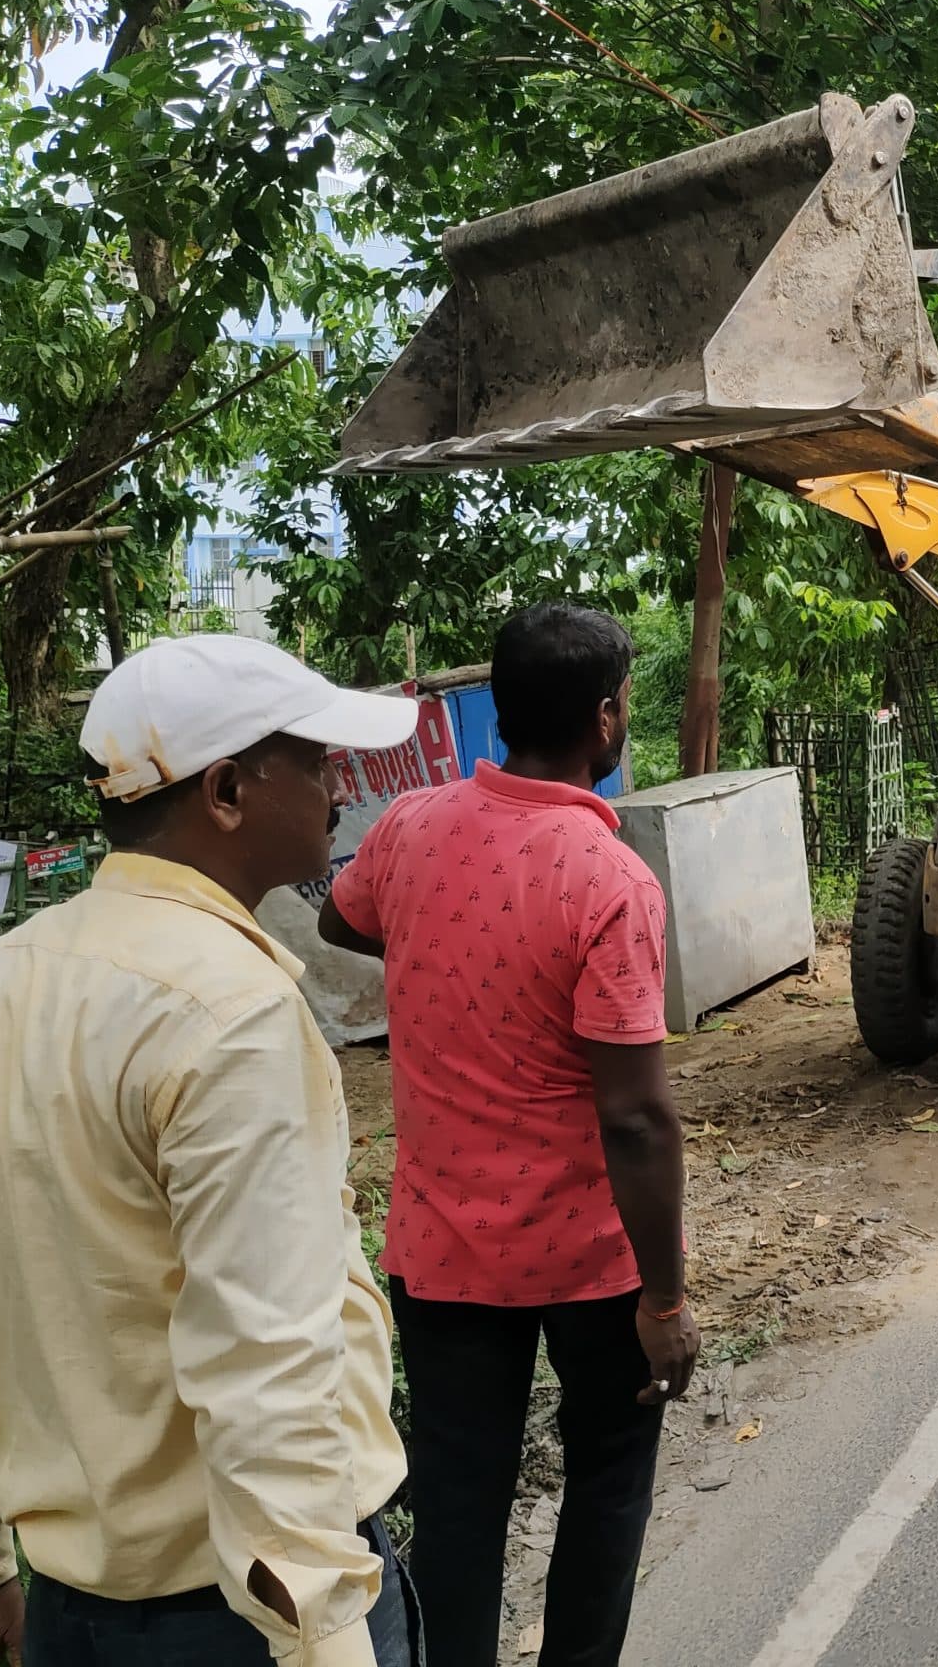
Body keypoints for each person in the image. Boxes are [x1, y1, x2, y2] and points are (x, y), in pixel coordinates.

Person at [0, 635, 426, 1665]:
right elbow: (263, 1357)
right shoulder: (234, 1011)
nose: (335, 790)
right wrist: (322, 1634)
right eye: (312, 763)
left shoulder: (2, 979)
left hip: (70, 1612)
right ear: (226, 790)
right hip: (241, 1616)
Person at [319, 602, 694, 1667]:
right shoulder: (610, 879)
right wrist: (664, 1301)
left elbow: (340, 919)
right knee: (606, 1487)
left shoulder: (411, 831)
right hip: (591, 1267)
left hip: (443, 1257)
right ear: (607, 721)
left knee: (457, 1506)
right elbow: (634, 1113)